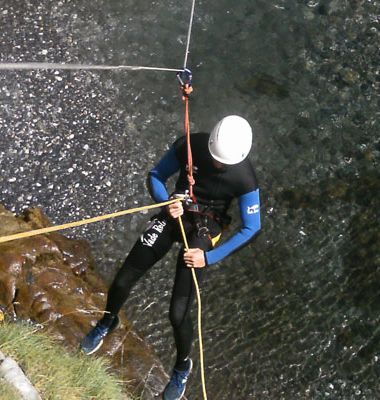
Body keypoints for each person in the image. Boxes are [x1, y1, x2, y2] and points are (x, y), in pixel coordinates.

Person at [80, 115, 261, 400]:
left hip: (205, 229)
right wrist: (166, 201)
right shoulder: (189, 146)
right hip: (173, 211)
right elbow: (156, 176)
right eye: (216, 159)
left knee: (177, 313)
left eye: (224, 163)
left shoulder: (245, 179)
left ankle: (181, 367)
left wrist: (208, 257)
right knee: (123, 280)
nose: (218, 165)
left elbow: (252, 227)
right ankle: (107, 321)